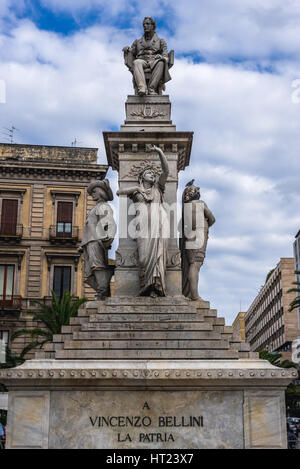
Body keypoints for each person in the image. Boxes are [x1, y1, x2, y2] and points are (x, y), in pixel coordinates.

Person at [117, 145, 169, 297]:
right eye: (149, 173)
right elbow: (119, 192)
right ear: (141, 177)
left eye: (153, 173)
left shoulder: (159, 188)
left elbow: (166, 171)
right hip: (142, 227)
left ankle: (155, 287)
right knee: (143, 259)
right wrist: (137, 188)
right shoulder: (136, 191)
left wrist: (160, 151)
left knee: (157, 256)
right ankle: (144, 284)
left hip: (158, 225)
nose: (152, 174)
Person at [79, 179, 116, 300]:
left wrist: (108, 236)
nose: (92, 194)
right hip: (90, 242)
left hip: (96, 241)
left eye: (94, 191)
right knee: (93, 268)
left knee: (97, 266)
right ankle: (102, 290)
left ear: (101, 192)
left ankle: (102, 292)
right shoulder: (96, 208)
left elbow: (109, 222)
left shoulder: (103, 206)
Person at [180, 182, 215, 300]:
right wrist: (205, 226)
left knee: (192, 263)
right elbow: (212, 219)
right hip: (199, 235)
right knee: (195, 264)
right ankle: (194, 295)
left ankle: (191, 293)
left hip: (189, 236)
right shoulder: (200, 203)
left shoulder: (185, 208)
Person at [123, 17, 171, 96]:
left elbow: (165, 55)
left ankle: (152, 88)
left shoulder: (161, 41)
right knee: (136, 62)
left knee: (161, 63)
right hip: (142, 60)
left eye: (147, 24)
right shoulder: (137, 41)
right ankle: (142, 88)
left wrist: (162, 57)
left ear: (153, 26)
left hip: (154, 61)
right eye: (144, 24)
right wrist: (127, 49)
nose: (145, 26)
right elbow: (132, 52)